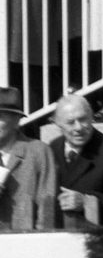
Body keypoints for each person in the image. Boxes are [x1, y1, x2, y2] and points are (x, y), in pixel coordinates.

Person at [49, 94, 103, 221]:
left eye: (83, 119)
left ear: (91, 118)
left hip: (96, 230)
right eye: (70, 122)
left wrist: (87, 202)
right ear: (58, 124)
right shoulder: (53, 148)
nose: (78, 127)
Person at [0, 87, 56, 230]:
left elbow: (47, 204)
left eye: (0, 117)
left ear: (16, 120)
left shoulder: (38, 151)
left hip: (28, 239)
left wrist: (38, 239)